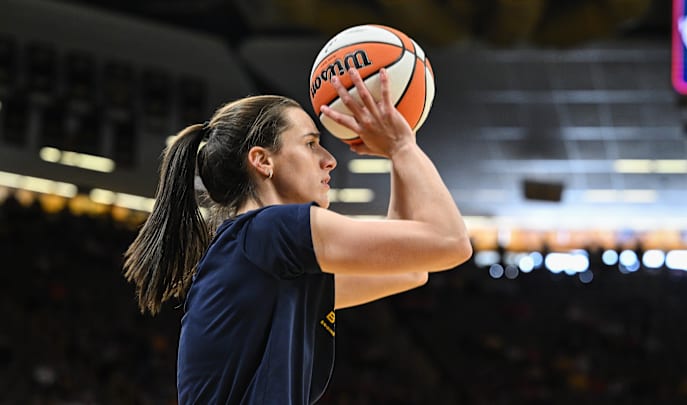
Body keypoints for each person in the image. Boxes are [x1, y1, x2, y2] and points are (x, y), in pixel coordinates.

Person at [122, 67, 472, 404]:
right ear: (262, 161)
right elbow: (450, 242)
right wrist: (402, 147)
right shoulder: (271, 230)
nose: (329, 159)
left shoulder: (265, 253)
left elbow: (409, 268)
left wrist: (397, 157)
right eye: (311, 143)